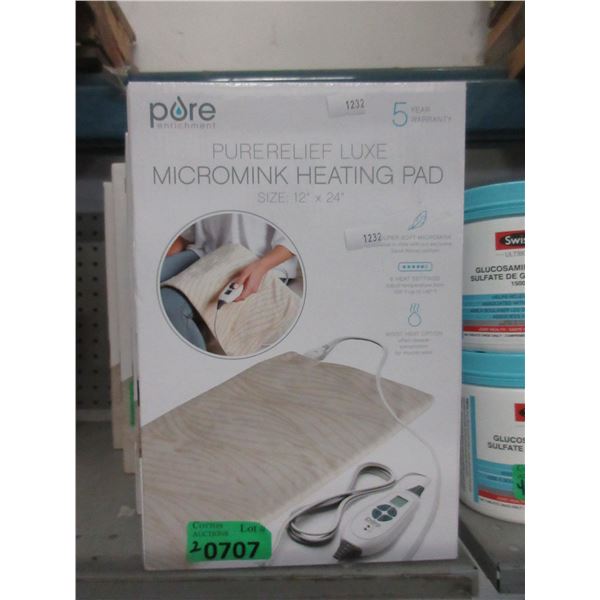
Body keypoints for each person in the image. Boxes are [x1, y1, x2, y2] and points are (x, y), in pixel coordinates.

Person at [160, 213, 298, 350]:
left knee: (169, 305)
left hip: (251, 259)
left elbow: (293, 236)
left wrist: (261, 267)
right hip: (206, 252)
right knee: (147, 287)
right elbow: (188, 235)